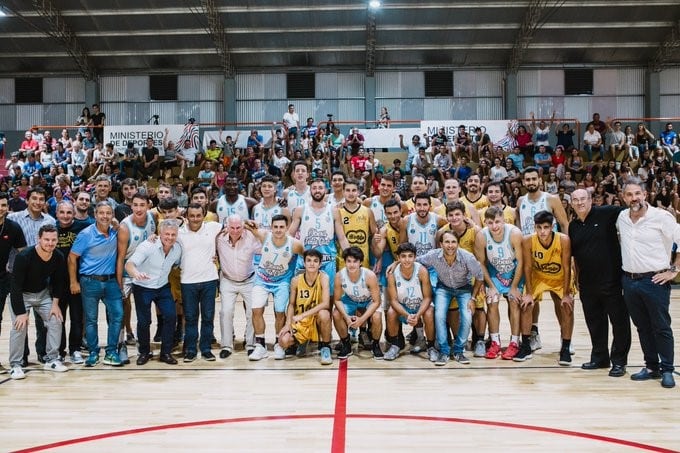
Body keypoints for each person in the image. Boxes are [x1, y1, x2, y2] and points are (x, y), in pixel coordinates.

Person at [616, 177, 680, 389]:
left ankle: (668, 369)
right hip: (630, 280)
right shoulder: (622, 217)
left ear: (645, 194)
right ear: (623, 197)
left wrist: (674, 270)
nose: (634, 198)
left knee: (661, 327)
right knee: (642, 327)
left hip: (654, 280)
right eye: (629, 194)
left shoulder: (661, 217)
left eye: (637, 193)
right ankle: (651, 367)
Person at [569, 189, 630, 377]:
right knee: (595, 322)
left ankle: (619, 361)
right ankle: (600, 357)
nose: (580, 203)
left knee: (619, 323)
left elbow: (628, 209)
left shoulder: (606, 213)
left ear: (591, 200)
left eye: (583, 199)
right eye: (575, 200)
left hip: (611, 280)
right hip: (587, 283)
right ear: (571, 203)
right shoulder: (573, 226)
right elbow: (576, 256)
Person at [68, 201, 124, 367]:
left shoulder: (115, 232)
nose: (105, 216)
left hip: (111, 281)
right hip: (90, 281)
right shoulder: (85, 234)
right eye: (101, 213)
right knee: (91, 320)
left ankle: (111, 351)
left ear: (112, 215)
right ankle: (93, 352)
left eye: (108, 213)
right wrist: (73, 282)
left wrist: (118, 225)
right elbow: (72, 258)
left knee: (118, 315)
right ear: (95, 215)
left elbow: (124, 233)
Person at [8, 224, 66, 380]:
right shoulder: (24, 256)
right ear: (38, 239)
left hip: (42, 295)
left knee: (56, 320)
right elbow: (15, 287)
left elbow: (60, 282)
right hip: (22, 295)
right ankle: (15, 365)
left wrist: (55, 304)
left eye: (53, 240)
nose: (50, 243)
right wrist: (20, 313)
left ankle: (52, 359)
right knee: (19, 326)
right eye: (46, 239)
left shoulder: (58, 256)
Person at [417, 231, 483, 365]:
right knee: (439, 315)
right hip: (444, 288)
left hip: (464, 288)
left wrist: (473, 298)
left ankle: (458, 350)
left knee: (467, 316)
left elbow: (480, 276)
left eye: (453, 242)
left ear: (458, 243)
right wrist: (395, 264)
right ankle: (444, 351)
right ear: (441, 244)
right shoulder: (433, 256)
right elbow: (414, 261)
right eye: (447, 242)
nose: (450, 245)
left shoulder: (467, 257)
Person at [246, 214, 304, 361]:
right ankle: (260, 346)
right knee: (256, 310)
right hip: (262, 279)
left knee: (280, 313)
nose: (278, 230)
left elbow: (306, 256)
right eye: (275, 227)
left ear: (287, 228)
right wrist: (248, 221)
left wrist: (300, 275)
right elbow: (245, 225)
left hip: (282, 282)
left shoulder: (295, 244)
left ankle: (279, 344)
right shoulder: (264, 235)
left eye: (281, 227)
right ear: (271, 227)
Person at [125, 219, 182, 365]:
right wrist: (136, 273)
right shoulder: (148, 246)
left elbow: (177, 265)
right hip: (143, 287)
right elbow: (129, 264)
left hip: (162, 286)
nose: (170, 237)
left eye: (173, 234)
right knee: (144, 321)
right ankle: (144, 352)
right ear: (159, 233)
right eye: (166, 234)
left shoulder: (177, 249)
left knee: (170, 316)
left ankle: (166, 353)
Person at [521, 211, 574, 365]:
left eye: (546, 227)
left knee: (566, 306)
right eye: (539, 227)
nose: (542, 231)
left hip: (559, 278)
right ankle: (525, 346)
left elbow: (566, 267)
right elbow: (528, 268)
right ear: (535, 227)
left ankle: (565, 346)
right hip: (538, 277)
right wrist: (529, 293)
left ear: (552, 227)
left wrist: (566, 294)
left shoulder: (563, 240)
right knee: (526, 305)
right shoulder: (528, 240)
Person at [474, 206, 524, 360]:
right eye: (490, 223)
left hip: (514, 273)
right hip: (494, 274)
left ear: (504, 220)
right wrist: (491, 286)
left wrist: (514, 287)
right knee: (492, 300)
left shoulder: (514, 233)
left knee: (514, 302)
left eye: (497, 222)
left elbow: (521, 262)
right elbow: (481, 263)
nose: (494, 226)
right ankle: (495, 341)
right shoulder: (481, 236)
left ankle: (514, 342)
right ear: (485, 222)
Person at [177, 203, 224, 362]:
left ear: (204, 215)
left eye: (198, 215)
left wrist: (219, 253)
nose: (195, 219)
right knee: (190, 318)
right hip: (187, 281)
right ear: (186, 216)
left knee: (208, 317)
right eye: (192, 216)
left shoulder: (213, 227)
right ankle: (190, 349)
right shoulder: (179, 232)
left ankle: (205, 349)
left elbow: (234, 227)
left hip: (209, 280)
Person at [116, 193, 157, 364]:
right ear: (131, 206)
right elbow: (120, 257)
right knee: (121, 309)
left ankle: (143, 346)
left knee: (143, 312)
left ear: (148, 205)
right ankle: (120, 346)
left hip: (145, 273)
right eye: (135, 205)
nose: (138, 208)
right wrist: (119, 283)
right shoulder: (125, 227)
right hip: (127, 273)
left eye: (142, 205)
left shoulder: (153, 217)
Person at [216, 214, 261, 358]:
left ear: (244, 226)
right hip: (228, 280)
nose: (235, 230)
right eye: (232, 227)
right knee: (226, 312)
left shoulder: (251, 237)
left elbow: (268, 243)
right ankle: (227, 346)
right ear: (226, 227)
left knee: (252, 312)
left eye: (238, 227)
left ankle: (251, 344)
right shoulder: (219, 238)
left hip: (249, 279)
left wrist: (256, 229)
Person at [278, 249, 333, 365]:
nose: (312, 263)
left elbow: (325, 304)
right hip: (301, 322)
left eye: (315, 261)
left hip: (315, 319)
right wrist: (288, 324)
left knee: (325, 314)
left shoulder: (324, 278)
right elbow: (291, 304)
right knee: (283, 341)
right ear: (304, 263)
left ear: (320, 264)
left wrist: (303, 315)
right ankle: (301, 341)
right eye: (308, 260)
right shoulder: (296, 280)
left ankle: (325, 347)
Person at [383, 243, 435, 362]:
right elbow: (393, 300)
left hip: (420, 305)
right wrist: (407, 315)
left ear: (415, 257)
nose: (407, 259)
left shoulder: (421, 271)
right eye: (403, 256)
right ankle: (395, 346)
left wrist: (417, 315)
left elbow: (427, 297)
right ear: (398, 258)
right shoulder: (392, 274)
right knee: (390, 312)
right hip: (403, 305)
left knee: (429, 312)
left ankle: (430, 346)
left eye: (410, 256)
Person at [332, 247, 383, 359]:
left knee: (377, 316)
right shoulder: (339, 276)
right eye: (349, 261)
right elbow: (337, 300)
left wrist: (362, 320)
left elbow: (376, 301)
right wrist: (346, 317)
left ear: (360, 262)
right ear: (345, 262)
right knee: (336, 314)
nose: (352, 264)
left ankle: (375, 344)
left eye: (355, 261)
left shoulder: (369, 276)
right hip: (350, 300)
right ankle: (346, 344)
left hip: (368, 301)